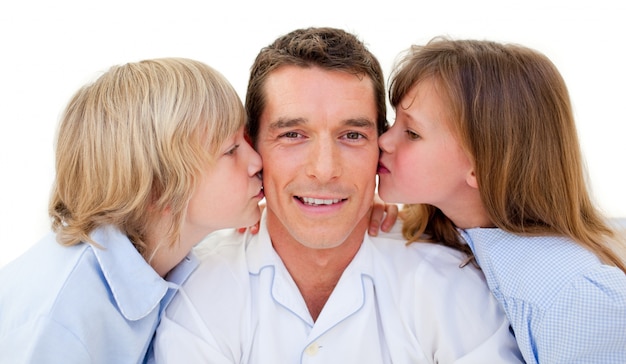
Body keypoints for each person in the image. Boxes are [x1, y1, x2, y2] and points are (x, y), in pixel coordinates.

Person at [153, 27, 523, 363]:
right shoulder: (197, 290)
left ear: (381, 146)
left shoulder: (450, 287)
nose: (325, 170)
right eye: (293, 135)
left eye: (352, 136)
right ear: (252, 147)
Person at [377, 37, 626, 364]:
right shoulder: (445, 231)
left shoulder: (574, 296)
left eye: (412, 133)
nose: (383, 140)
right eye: (393, 122)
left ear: (480, 166)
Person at [0, 58, 264, 364]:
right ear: (160, 188)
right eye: (231, 150)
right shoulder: (61, 321)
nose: (257, 161)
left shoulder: (162, 248)